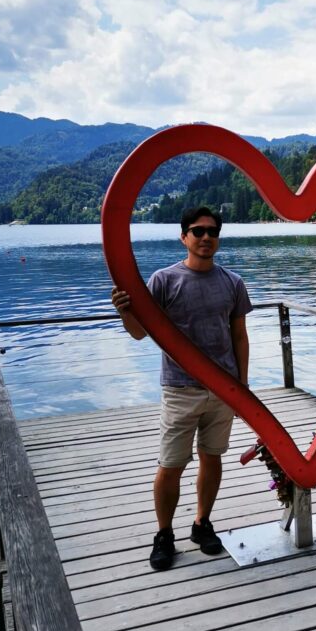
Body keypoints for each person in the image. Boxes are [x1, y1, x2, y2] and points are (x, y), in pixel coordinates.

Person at [111, 206, 252, 570]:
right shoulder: (163, 281)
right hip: (180, 388)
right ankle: (164, 534)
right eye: (197, 231)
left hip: (223, 389)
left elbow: (239, 336)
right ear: (183, 237)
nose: (206, 237)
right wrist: (126, 311)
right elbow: (141, 333)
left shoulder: (233, 283)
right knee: (171, 464)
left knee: (212, 457)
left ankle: (202, 523)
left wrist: (242, 387)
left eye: (212, 231)